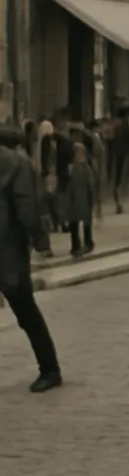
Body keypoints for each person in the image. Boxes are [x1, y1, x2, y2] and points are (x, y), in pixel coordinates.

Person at [0, 127, 62, 392]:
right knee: (26, 310)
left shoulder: (14, 164)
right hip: (9, 246)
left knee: (24, 307)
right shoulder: (18, 164)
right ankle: (49, 369)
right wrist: (40, 241)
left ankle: (50, 369)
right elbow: (27, 207)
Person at [66, 141, 97, 257]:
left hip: (74, 199)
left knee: (74, 222)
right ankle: (87, 243)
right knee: (85, 221)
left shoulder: (71, 167)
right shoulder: (84, 166)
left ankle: (76, 246)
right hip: (83, 198)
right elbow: (90, 183)